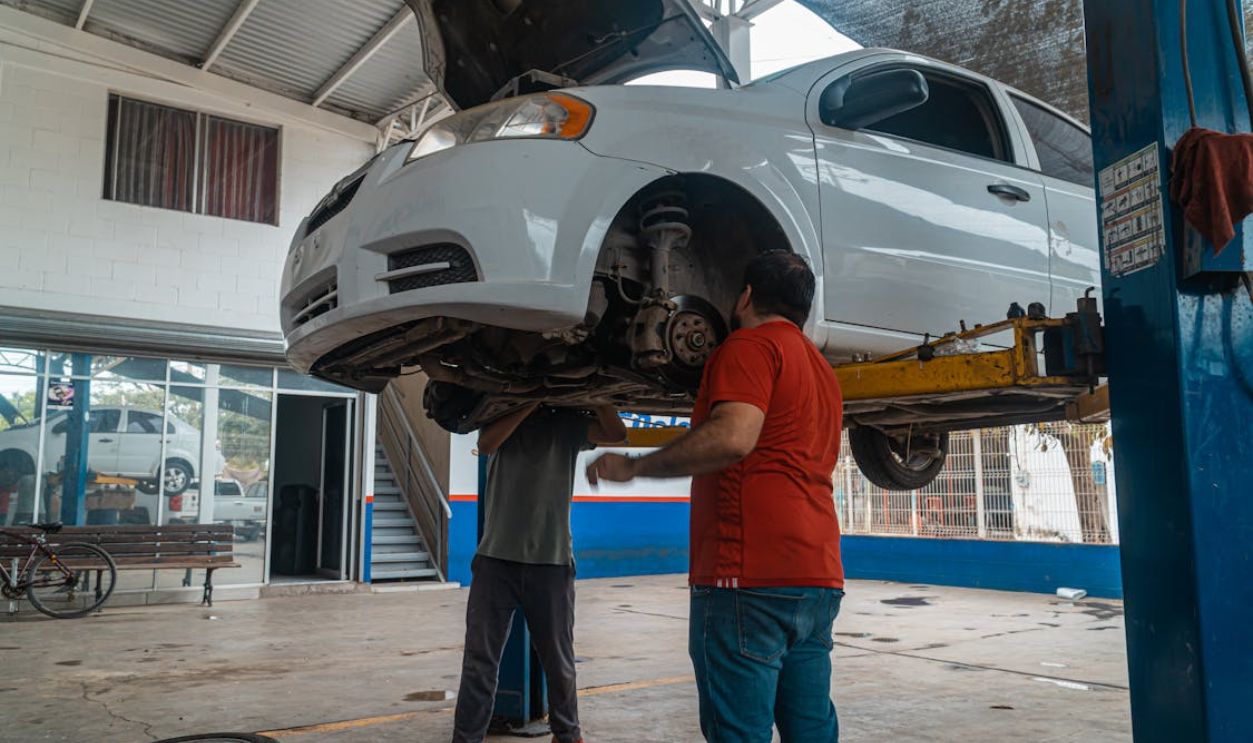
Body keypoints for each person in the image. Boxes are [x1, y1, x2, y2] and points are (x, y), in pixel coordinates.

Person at [586, 251, 845, 742]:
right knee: (810, 731)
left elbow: (732, 437)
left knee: (738, 733)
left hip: (748, 578)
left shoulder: (749, 347)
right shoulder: (823, 372)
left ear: (745, 296)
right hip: (818, 577)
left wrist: (634, 467)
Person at [452, 402, 627, 743]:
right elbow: (486, 445)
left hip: (552, 562)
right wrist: (530, 401)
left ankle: (567, 734)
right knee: (480, 663)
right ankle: (466, 738)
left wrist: (601, 399)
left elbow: (617, 434)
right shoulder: (501, 417)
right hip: (495, 560)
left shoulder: (568, 424)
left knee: (558, 662)